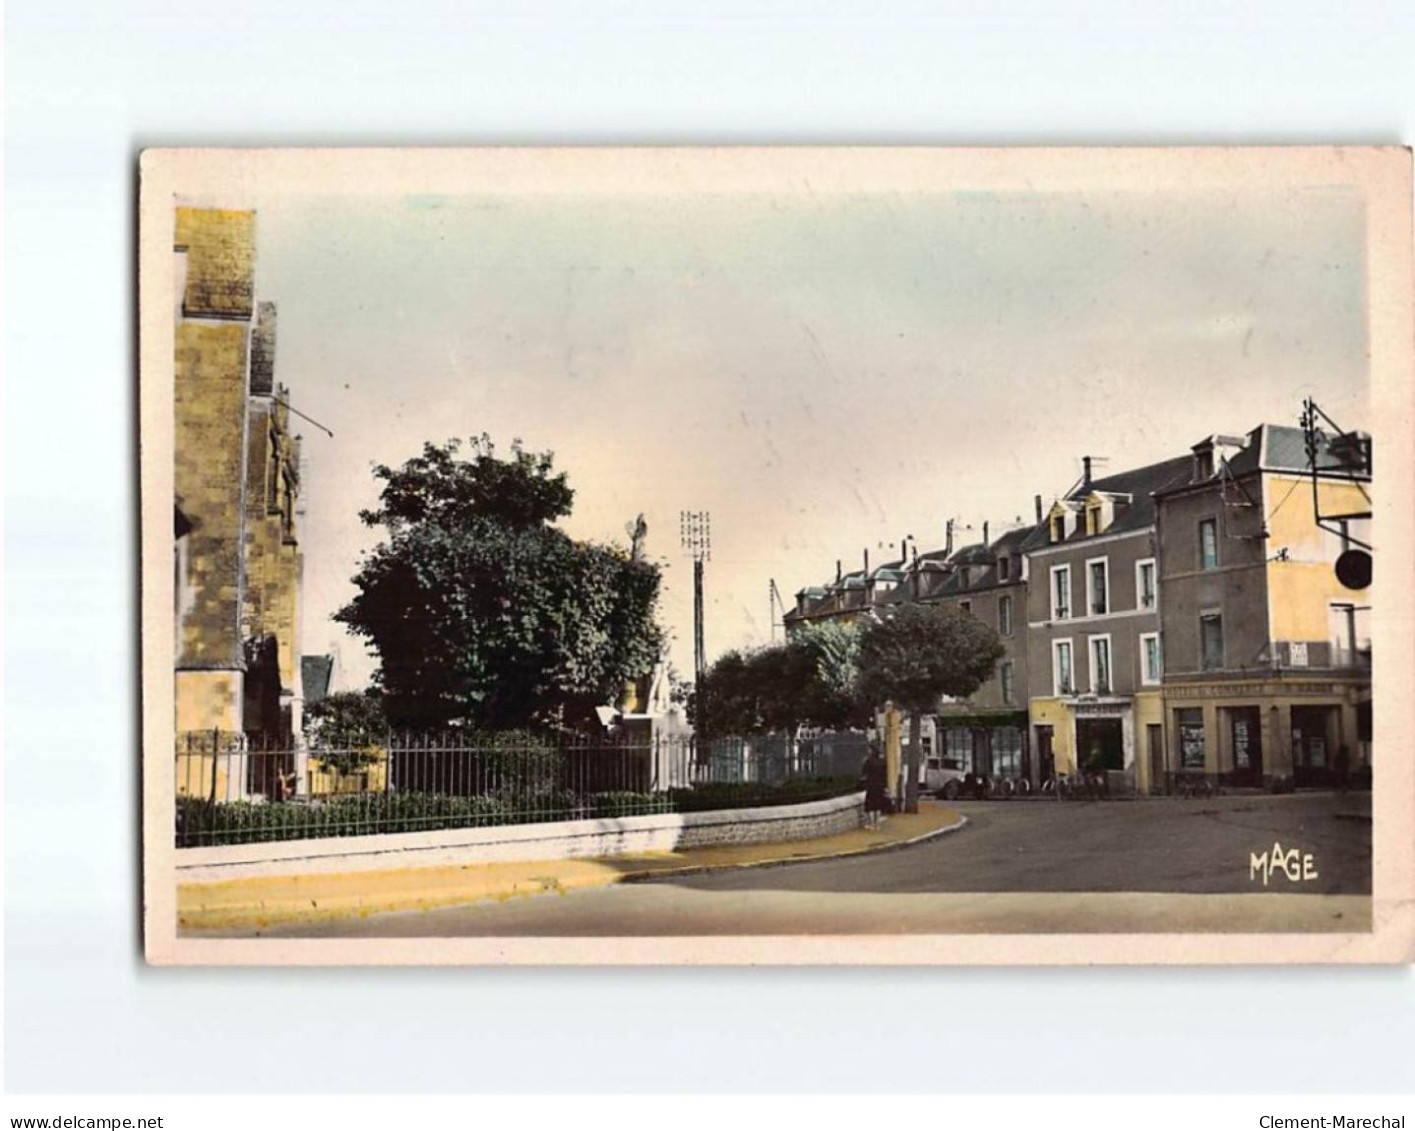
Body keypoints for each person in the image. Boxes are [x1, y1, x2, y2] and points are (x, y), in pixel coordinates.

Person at [859, 741, 890, 829]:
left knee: (870, 804)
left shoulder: (868, 761)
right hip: (880, 785)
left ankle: (871, 823)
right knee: (878, 804)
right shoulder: (882, 761)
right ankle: (877, 824)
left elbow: (864, 772)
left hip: (871, 784)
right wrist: (885, 785)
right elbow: (885, 774)